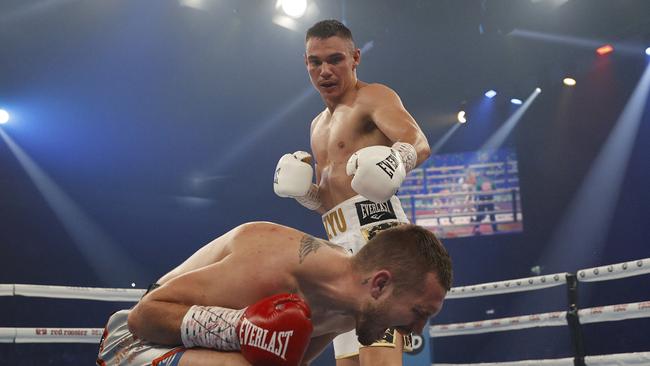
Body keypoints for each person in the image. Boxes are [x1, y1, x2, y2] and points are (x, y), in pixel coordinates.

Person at [273, 19, 431, 365]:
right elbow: (329, 202)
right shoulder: (316, 125)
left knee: (378, 357)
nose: (325, 70)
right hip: (337, 245)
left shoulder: (373, 97)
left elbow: (418, 142)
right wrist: (307, 195)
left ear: (355, 57)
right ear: (305, 63)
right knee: (349, 361)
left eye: (335, 59)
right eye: (315, 62)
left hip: (380, 237)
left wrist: (396, 159)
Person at [96, 221, 452, 366]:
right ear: (380, 284)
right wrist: (239, 327)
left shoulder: (352, 309)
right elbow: (144, 317)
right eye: (418, 312)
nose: (417, 330)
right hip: (133, 343)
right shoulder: (274, 264)